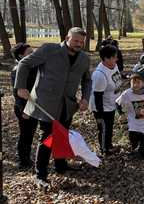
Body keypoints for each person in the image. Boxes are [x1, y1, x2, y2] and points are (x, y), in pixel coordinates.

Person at [15, 27, 91, 189]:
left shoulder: (84, 58)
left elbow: (87, 80)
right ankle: (40, 175)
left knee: (62, 135)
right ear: (67, 37)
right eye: (76, 40)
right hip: (45, 103)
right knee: (48, 138)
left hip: (68, 104)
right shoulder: (49, 50)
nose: (79, 44)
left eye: (81, 42)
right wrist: (21, 86)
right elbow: (24, 63)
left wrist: (85, 98)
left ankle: (60, 165)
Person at [89, 45, 122, 155]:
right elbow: (97, 97)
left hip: (111, 103)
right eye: (114, 57)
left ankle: (108, 145)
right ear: (106, 58)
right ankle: (105, 150)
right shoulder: (100, 75)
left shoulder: (113, 65)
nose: (116, 59)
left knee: (109, 127)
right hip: (102, 107)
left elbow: (116, 76)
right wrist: (99, 115)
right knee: (104, 129)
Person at [116, 73, 144, 159]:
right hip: (133, 120)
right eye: (133, 83)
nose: (135, 85)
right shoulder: (127, 93)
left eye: (138, 82)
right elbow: (117, 103)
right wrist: (121, 114)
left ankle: (141, 149)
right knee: (133, 136)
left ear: (143, 83)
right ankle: (135, 147)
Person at [10, 43, 37, 169]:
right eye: (30, 53)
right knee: (25, 134)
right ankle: (23, 161)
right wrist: (23, 111)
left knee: (31, 133)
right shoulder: (17, 70)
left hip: (35, 106)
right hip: (23, 108)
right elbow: (17, 93)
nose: (33, 54)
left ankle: (27, 157)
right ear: (21, 56)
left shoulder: (33, 66)